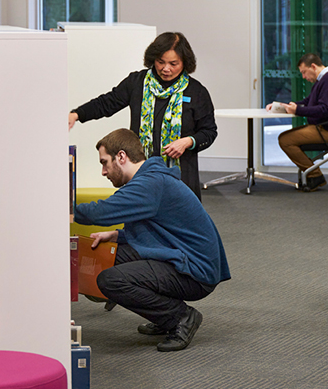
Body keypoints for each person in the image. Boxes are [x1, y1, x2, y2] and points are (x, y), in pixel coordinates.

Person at [74, 128, 230, 352]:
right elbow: (163, 229)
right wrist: (118, 235)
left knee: (111, 280)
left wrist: (61, 206)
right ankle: (163, 316)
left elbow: (98, 213)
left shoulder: (149, 184)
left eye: (104, 162)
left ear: (121, 157)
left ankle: (181, 318)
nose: (103, 171)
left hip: (195, 272)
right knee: (108, 255)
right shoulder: (151, 180)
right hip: (181, 256)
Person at [69, 32, 217, 200]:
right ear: (153, 59)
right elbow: (107, 103)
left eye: (173, 63)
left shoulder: (197, 92)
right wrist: (77, 114)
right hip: (140, 172)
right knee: (139, 219)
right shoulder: (137, 82)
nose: (166, 68)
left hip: (181, 175)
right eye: (160, 62)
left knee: (178, 221)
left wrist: (187, 141)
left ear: (185, 63)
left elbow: (209, 131)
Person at [266, 53, 328, 192]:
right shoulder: (323, 80)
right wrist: (284, 106)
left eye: (304, 72)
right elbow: (308, 102)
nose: (304, 77)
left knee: (285, 140)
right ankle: (312, 174)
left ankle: (315, 176)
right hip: (324, 128)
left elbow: (324, 109)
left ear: (313, 66)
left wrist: (297, 110)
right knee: (286, 138)